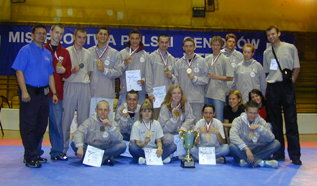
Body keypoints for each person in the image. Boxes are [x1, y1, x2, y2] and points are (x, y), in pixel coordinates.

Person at [11, 24, 58, 168]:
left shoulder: (47, 54)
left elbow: (50, 74)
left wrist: (54, 92)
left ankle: (33, 153)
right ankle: (30, 156)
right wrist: (24, 91)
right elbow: (19, 71)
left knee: (41, 125)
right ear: (32, 35)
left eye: (44, 33)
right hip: (29, 93)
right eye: (38, 33)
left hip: (44, 94)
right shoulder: (25, 51)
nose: (41, 36)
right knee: (29, 125)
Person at [263, 25, 301, 165]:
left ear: (279, 33)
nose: (271, 37)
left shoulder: (290, 47)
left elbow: (296, 67)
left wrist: (291, 82)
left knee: (291, 122)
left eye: (273, 34)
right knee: (275, 124)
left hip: (287, 87)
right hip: (273, 88)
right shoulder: (267, 52)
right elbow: (268, 72)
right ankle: (279, 153)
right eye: (268, 35)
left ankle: (295, 155)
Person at [62, 28, 93, 155]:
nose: (81, 40)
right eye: (79, 37)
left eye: (84, 38)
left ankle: (81, 149)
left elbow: (90, 72)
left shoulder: (88, 54)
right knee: (66, 119)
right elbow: (61, 71)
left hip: (84, 86)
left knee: (83, 120)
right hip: (70, 85)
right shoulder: (66, 52)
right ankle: (62, 149)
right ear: (74, 37)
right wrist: (71, 73)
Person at [44, 24, 72, 161]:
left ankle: (57, 152)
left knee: (57, 124)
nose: (58, 36)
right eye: (56, 32)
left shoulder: (64, 52)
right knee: (39, 124)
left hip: (57, 94)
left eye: (61, 33)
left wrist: (64, 71)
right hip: (41, 93)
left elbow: (68, 72)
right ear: (50, 32)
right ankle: (35, 152)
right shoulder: (42, 49)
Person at [72, 100, 126, 166]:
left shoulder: (112, 123)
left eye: (105, 110)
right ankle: (105, 158)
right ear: (96, 110)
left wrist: (110, 127)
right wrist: (80, 147)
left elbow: (119, 139)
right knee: (74, 144)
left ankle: (93, 158)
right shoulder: (89, 121)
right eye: (100, 109)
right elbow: (79, 132)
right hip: (90, 147)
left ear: (109, 111)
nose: (103, 112)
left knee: (122, 146)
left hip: (106, 149)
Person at [229, 101, 281, 168]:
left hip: (258, 149)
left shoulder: (261, 121)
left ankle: (247, 161)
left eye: (255, 113)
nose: (253, 116)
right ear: (245, 111)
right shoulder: (238, 120)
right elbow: (233, 136)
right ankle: (261, 162)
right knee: (232, 146)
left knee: (276, 143)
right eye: (250, 113)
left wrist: (260, 128)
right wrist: (246, 149)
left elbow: (271, 138)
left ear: (258, 112)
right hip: (244, 150)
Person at [129, 100, 177, 164]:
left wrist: (159, 148)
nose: (147, 113)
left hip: (154, 150)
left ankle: (145, 160)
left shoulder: (156, 123)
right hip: (142, 149)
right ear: (141, 112)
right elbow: (137, 143)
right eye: (144, 111)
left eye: (149, 111)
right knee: (132, 148)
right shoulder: (136, 124)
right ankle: (160, 159)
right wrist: (144, 143)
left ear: (152, 112)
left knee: (173, 146)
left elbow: (159, 141)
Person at [89, 28, 121, 119]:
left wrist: (105, 70)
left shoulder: (115, 53)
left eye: (105, 34)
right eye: (100, 34)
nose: (102, 36)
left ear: (108, 37)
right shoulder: (89, 52)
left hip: (107, 93)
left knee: (107, 122)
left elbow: (118, 72)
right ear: (96, 35)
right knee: (92, 122)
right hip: (92, 93)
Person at [174, 37, 208, 122]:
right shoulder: (178, 63)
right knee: (183, 123)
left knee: (197, 124)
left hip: (197, 99)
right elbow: (176, 82)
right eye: (186, 46)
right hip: (183, 99)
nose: (188, 48)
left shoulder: (202, 61)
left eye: (191, 46)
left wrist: (195, 78)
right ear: (183, 48)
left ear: (194, 47)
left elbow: (206, 79)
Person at [146, 34, 177, 119]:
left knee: (167, 118)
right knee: (156, 118)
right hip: (156, 94)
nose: (164, 44)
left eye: (166, 42)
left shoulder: (172, 59)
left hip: (168, 95)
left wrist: (172, 76)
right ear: (158, 43)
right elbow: (148, 76)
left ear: (169, 43)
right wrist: (150, 93)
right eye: (162, 42)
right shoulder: (151, 57)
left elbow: (176, 79)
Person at [205, 36, 234, 122]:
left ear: (221, 46)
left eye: (218, 45)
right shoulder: (207, 59)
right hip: (207, 93)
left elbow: (230, 77)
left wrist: (216, 77)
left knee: (218, 119)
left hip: (219, 94)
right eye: (214, 44)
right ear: (211, 45)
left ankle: (220, 135)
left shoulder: (225, 59)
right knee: (206, 119)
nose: (215, 47)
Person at [158, 85, 195, 149]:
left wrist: (184, 127)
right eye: (174, 93)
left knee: (194, 130)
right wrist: (174, 119)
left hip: (182, 131)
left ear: (181, 94)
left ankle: (189, 152)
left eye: (179, 93)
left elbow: (190, 118)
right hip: (169, 133)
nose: (177, 95)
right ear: (170, 95)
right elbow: (163, 128)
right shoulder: (165, 107)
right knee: (169, 139)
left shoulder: (185, 103)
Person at [118, 29, 149, 106]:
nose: (134, 41)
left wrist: (144, 80)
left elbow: (148, 73)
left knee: (139, 114)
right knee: (123, 113)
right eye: (132, 38)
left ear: (140, 39)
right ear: (129, 39)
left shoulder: (146, 55)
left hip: (140, 91)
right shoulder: (122, 53)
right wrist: (124, 63)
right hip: (125, 90)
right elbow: (117, 72)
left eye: (136, 38)